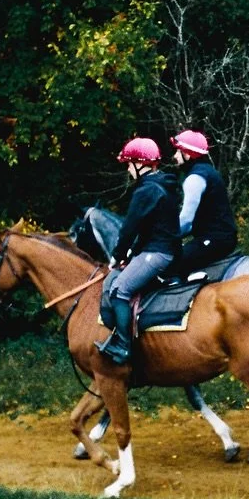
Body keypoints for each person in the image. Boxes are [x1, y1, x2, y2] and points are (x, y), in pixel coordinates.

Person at [97, 137, 183, 365]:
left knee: (119, 290)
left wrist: (116, 256)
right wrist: (131, 255)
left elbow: (129, 228)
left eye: (129, 163)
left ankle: (123, 347)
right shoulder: (162, 185)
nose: (127, 168)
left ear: (141, 163)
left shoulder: (146, 191)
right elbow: (146, 229)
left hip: (156, 253)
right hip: (162, 250)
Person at [168, 129, 238, 276]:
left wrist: (164, 238)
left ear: (187, 154)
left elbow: (186, 222)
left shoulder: (194, 178)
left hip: (213, 240)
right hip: (222, 238)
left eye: (177, 152)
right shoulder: (208, 171)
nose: (175, 156)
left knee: (170, 264)